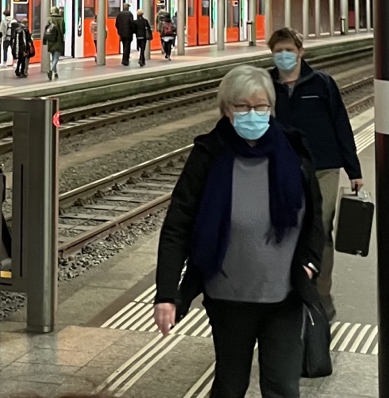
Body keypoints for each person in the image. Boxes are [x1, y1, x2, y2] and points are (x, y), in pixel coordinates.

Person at [154, 65, 324, 398]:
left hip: (284, 295)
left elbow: (314, 217)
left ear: (271, 108)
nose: (252, 114)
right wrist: (166, 294)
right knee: (230, 385)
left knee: (282, 387)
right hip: (227, 297)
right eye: (242, 106)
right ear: (226, 109)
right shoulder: (209, 155)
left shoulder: (293, 151)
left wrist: (310, 263)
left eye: (261, 106)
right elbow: (177, 227)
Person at [268, 27, 360, 321]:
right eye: (278, 51)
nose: (284, 55)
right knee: (285, 229)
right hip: (283, 169)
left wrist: (354, 170)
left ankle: (321, 296)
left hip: (323, 167)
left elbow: (341, 124)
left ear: (300, 51)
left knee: (320, 228)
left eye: (289, 50)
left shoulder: (322, 83)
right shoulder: (266, 85)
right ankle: (288, 291)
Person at [43, 10, 65, 80]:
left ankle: (55, 73)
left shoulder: (49, 19)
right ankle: (51, 70)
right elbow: (63, 30)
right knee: (56, 58)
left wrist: (44, 41)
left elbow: (46, 30)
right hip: (58, 41)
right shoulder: (61, 19)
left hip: (51, 41)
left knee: (53, 57)